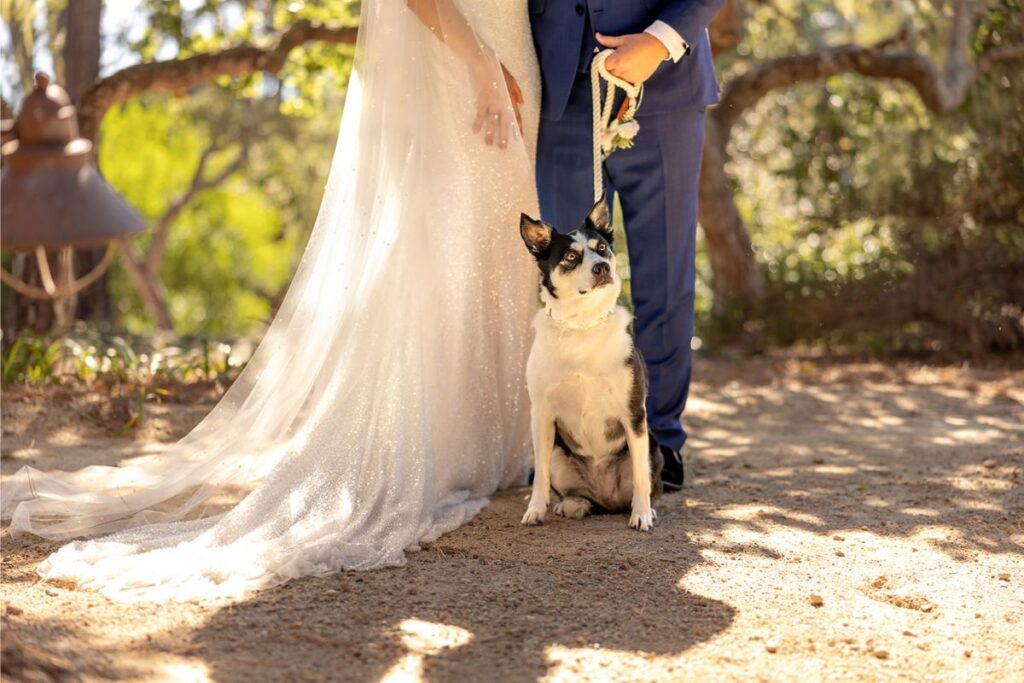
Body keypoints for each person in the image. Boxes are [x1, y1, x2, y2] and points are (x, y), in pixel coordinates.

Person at [531, 0, 724, 490]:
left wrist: (661, 40)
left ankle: (660, 441)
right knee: (567, 287)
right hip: (559, 97)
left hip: (664, 90)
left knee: (665, 275)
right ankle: (572, 445)